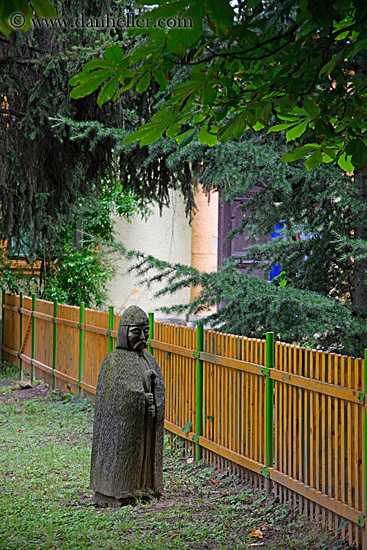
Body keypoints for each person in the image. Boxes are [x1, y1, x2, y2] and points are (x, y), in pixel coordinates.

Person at [90, 305, 165, 506]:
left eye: (146, 331)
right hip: (125, 430)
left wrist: (154, 405)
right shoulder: (113, 361)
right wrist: (140, 400)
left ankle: (147, 487)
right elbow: (116, 397)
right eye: (136, 332)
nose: (142, 336)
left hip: (146, 425)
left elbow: (159, 389)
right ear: (124, 332)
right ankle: (122, 490)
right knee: (130, 456)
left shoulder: (149, 359)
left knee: (145, 455)